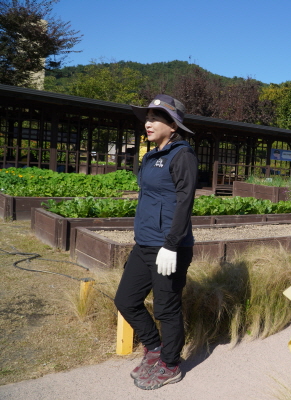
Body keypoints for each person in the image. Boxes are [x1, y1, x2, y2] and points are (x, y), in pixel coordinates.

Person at [114, 94, 198, 390]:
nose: (148, 123)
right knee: (125, 300)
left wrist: (172, 244)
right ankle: (154, 347)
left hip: (169, 247)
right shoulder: (151, 156)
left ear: (172, 125)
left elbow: (185, 202)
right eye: (147, 118)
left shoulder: (182, 155)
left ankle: (171, 364)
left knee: (166, 308)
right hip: (145, 244)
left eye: (155, 118)